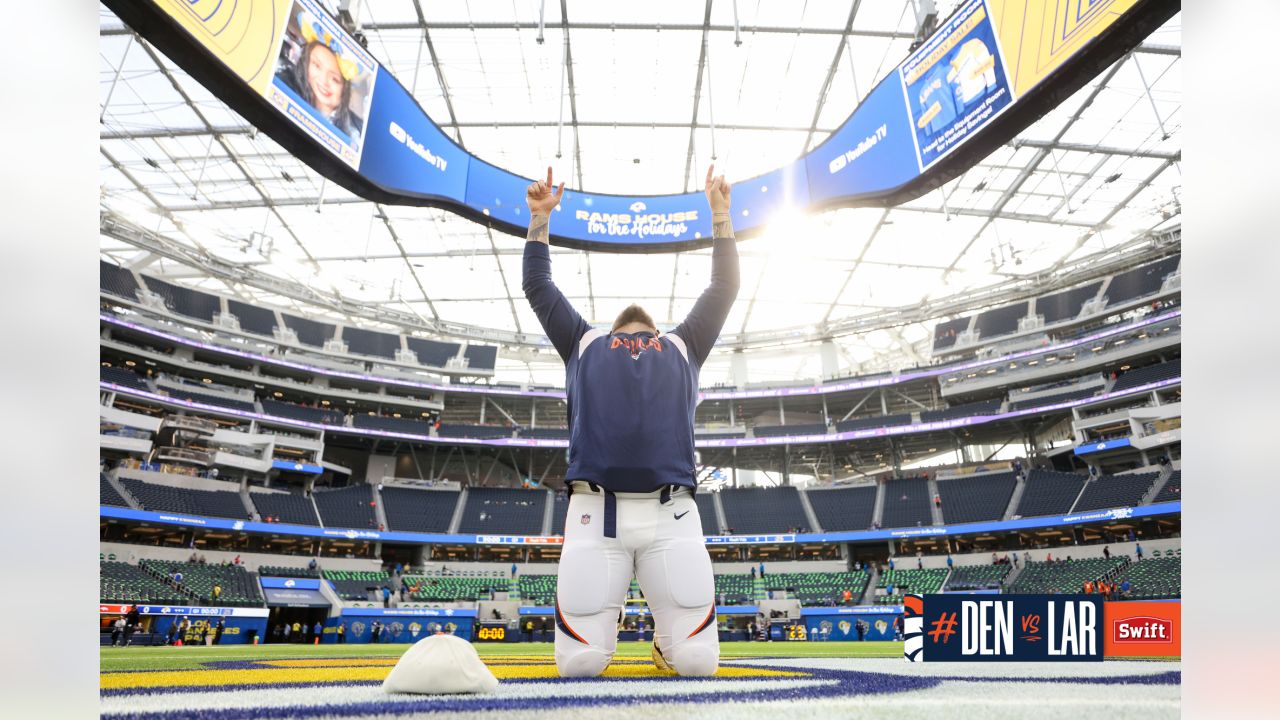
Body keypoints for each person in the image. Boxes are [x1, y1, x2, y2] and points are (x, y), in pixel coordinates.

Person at [524, 166, 739, 679]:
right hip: (600, 514)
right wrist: (720, 213)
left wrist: (539, 221)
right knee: (579, 665)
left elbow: (538, 286)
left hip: (669, 512)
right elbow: (724, 286)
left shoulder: (645, 344)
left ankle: (663, 642)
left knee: (697, 662)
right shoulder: (594, 341)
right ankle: (613, 614)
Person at [276, 18, 363, 140]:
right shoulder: (282, 84)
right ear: (305, 64)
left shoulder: (357, 131)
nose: (324, 81)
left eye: (334, 79)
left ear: (345, 89)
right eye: (317, 65)